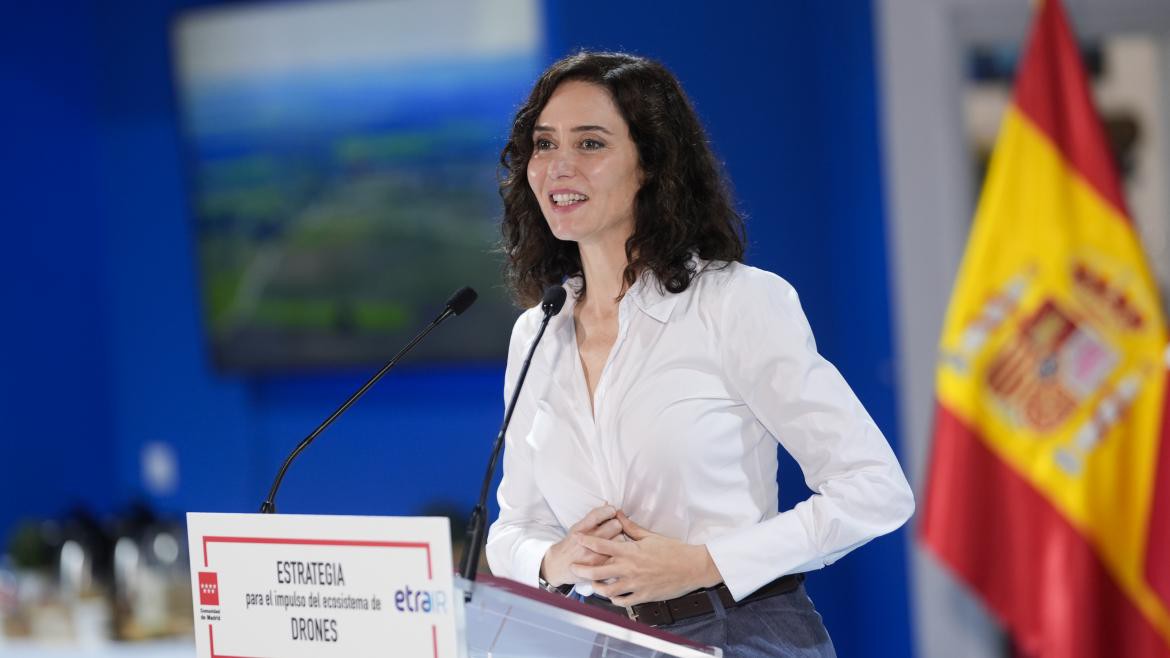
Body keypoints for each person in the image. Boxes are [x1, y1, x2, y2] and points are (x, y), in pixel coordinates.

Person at [484, 51, 915, 658]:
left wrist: (706, 563)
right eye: (544, 143)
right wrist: (554, 560)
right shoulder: (538, 332)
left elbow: (875, 489)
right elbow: (513, 529)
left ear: (652, 164)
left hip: (742, 632)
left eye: (590, 144)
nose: (558, 166)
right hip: (599, 638)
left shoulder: (736, 303)